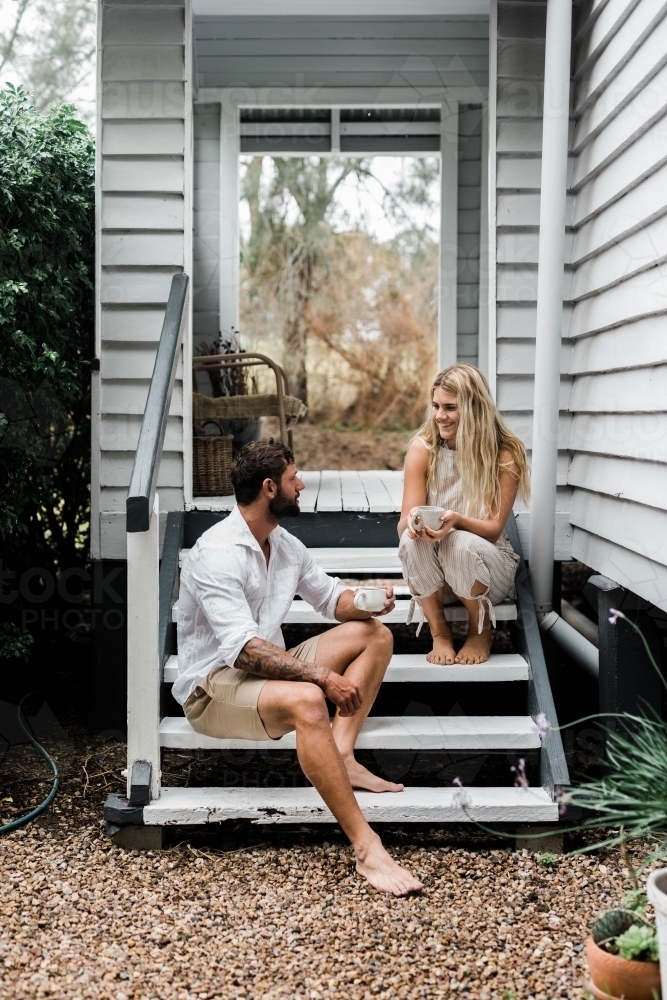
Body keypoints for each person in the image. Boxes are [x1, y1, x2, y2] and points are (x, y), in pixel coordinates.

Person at [173, 440, 423, 897]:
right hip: (213, 686)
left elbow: (329, 599)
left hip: (262, 673)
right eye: (294, 478)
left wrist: (369, 599)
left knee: (374, 634)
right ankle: (367, 846)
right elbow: (243, 651)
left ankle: (342, 756)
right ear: (270, 488)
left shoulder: (282, 543)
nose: (302, 484)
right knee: (309, 700)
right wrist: (320, 676)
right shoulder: (217, 553)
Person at [398, 364, 530, 666]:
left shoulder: (504, 453)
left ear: (473, 409)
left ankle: (480, 629)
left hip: (486, 570)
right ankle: (440, 632)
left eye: (450, 408)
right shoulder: (422, 450)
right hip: (438, 580)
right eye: (435, 406)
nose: (439, 416)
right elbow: (403, 523)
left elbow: (494, 529)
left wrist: (456, 521)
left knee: (459, 542)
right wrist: (415, 523)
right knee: (409, 539)